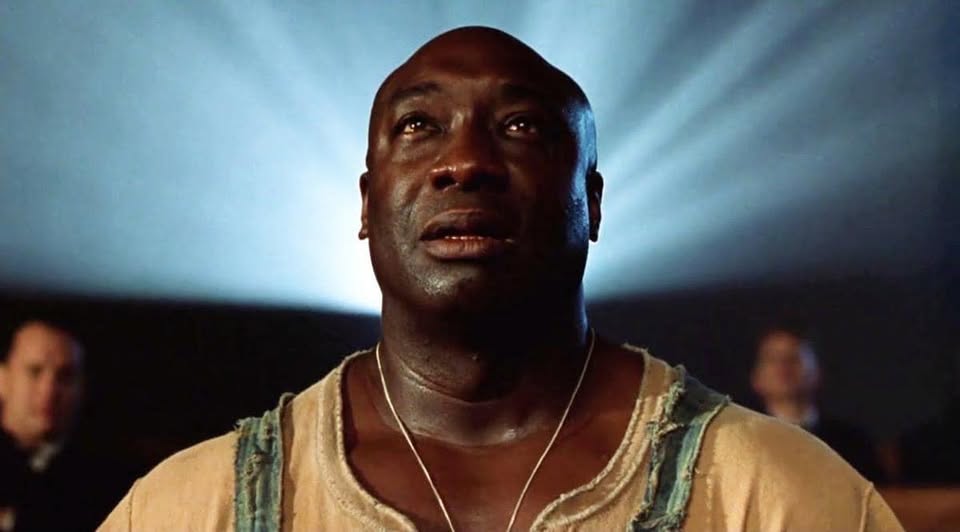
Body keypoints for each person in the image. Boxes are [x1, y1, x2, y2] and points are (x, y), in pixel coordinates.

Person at [100, 27, 902, 531]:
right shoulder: (188, 508)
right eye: (419, 126)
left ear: (591, 201)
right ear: (367, 204)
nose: (465, 162)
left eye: (521, 127)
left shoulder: (779, 497)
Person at [0, 321, 122, 531]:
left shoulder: (106, 483)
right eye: (34, 371)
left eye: (65, 376)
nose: (49, 391)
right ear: (2, 379)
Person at [750, 327, 884, 482]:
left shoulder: (852, 443)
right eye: (772, 359)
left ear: (817, 373)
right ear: (756, 378)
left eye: (794, 358)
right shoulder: (743, 440)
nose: (783, 367)